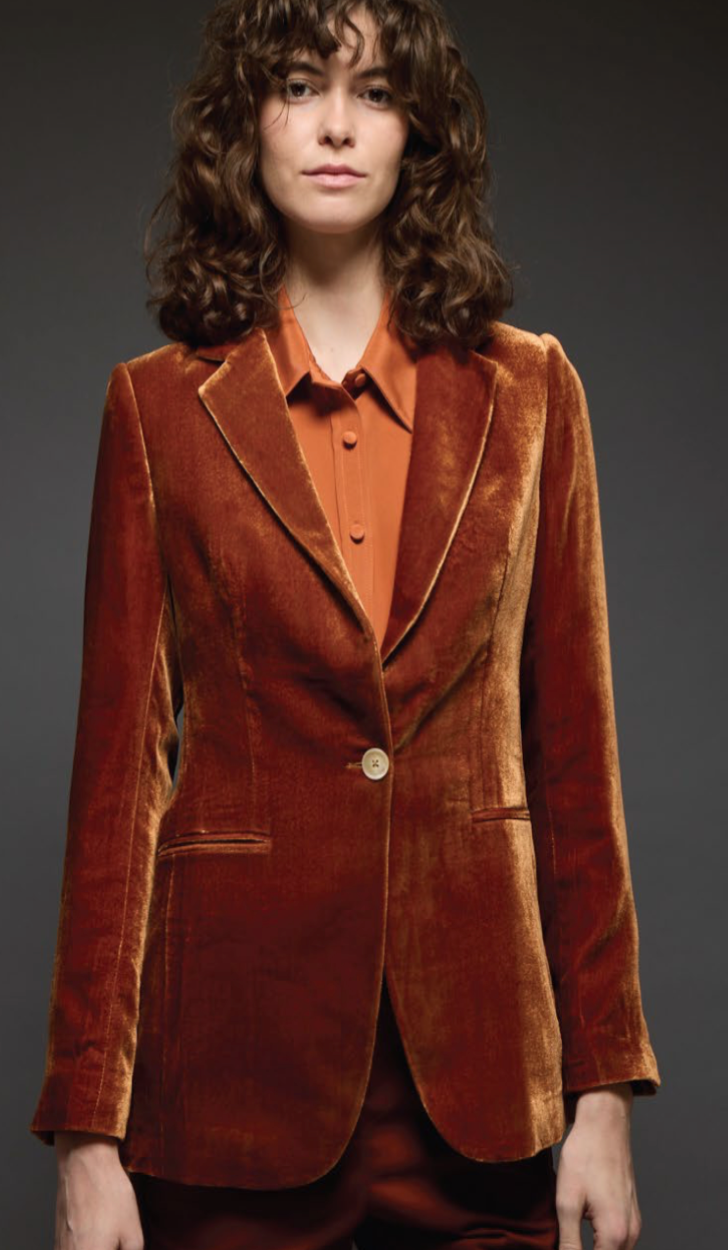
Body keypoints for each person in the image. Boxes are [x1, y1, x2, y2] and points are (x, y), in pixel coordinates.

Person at [29, 1, 662, 1248]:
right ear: (244, 124)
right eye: (297, 87)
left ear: (416, 129)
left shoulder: (530, 390)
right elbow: (117, 785)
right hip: (231, 1080)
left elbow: (573, 762)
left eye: (372, 92)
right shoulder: (156, 409)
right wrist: (86, 1133)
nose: (333, 125)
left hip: (484, 1089)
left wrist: (601, 1096)